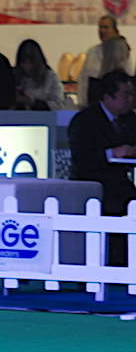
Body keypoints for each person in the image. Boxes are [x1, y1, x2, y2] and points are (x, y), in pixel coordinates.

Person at [69, 70, 136, 265]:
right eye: (126, 95)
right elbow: (81, 158)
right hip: (90, 183)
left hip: (120, 182)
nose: (130, 100)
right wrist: (111, 153)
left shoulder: (130, 119)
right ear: (108, 97)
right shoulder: (84, 121)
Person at [76, 15, 133, 108]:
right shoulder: (92, 51)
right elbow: (83, 78)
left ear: (114, 30)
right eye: (100, 27)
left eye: (106, 27)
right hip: (93, 99)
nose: (102, 31)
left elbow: (128, 77)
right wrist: (82, 102)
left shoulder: (123, 51)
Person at [13, 39, 65, 110]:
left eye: (31, 62)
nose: (27, 66)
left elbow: (59, 105)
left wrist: (31, 101)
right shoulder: (15, 78)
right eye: (23, 62)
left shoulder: (51, 78)